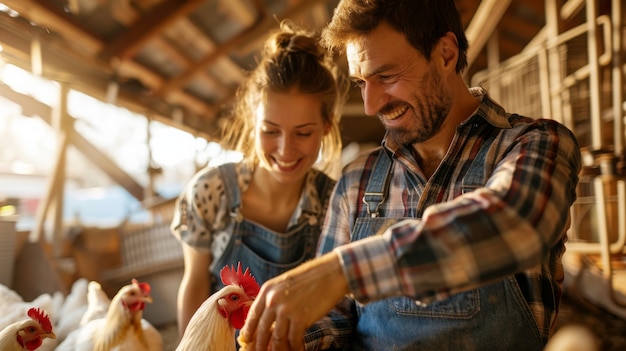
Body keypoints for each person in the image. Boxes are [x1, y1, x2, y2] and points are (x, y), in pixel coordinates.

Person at [239, 0, 582, 350]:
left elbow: (515, 224)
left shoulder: (537, 143)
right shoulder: (356, 180)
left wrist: (344, 270)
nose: (371, 105)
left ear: (446, 54)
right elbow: (337, 317)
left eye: (386, 76)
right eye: (361, 83)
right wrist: (290, 338)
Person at [170, 20, 348, 337]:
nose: (285, 149)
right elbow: (195, 283)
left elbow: (337, 305)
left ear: (327, 127)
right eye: (270, 131)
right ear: (253, 123)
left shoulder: (335, 203)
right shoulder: (209, 192)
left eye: (303, 133)